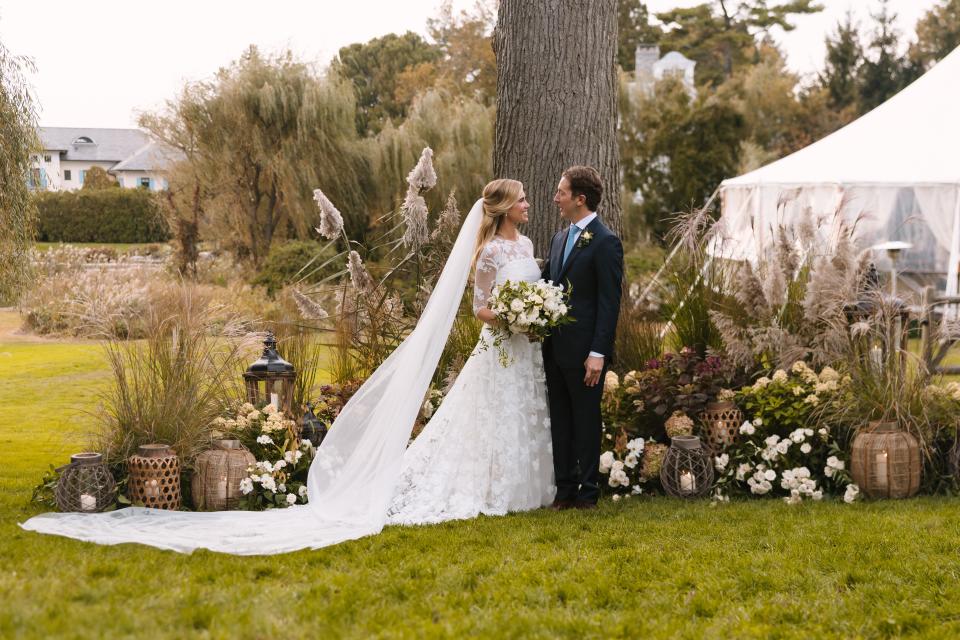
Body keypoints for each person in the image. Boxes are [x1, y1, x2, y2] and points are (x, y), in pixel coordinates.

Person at [20, 179, 554, 554]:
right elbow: (479, 306)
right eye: (523, 199)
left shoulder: (526, 244)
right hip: (502, 342)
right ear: (504, 207)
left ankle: (523, 486)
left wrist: (534, 315)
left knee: (520, 414)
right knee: (484, 416)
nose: (529, 205)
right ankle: (484, 489)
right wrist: (506, 315)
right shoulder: (486, 255)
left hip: (526, 348)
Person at [541, 166, 624, 510]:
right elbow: (547, 284)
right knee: (560, 417)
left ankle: (588, 492)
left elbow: (609, 302)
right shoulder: (559, 238)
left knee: (586, 420)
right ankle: (564, 490)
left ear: (580, 198)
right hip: (554, 347)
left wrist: (597, 353)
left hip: (586, 351)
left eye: (561, 192)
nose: (556, 198)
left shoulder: (605, 242)